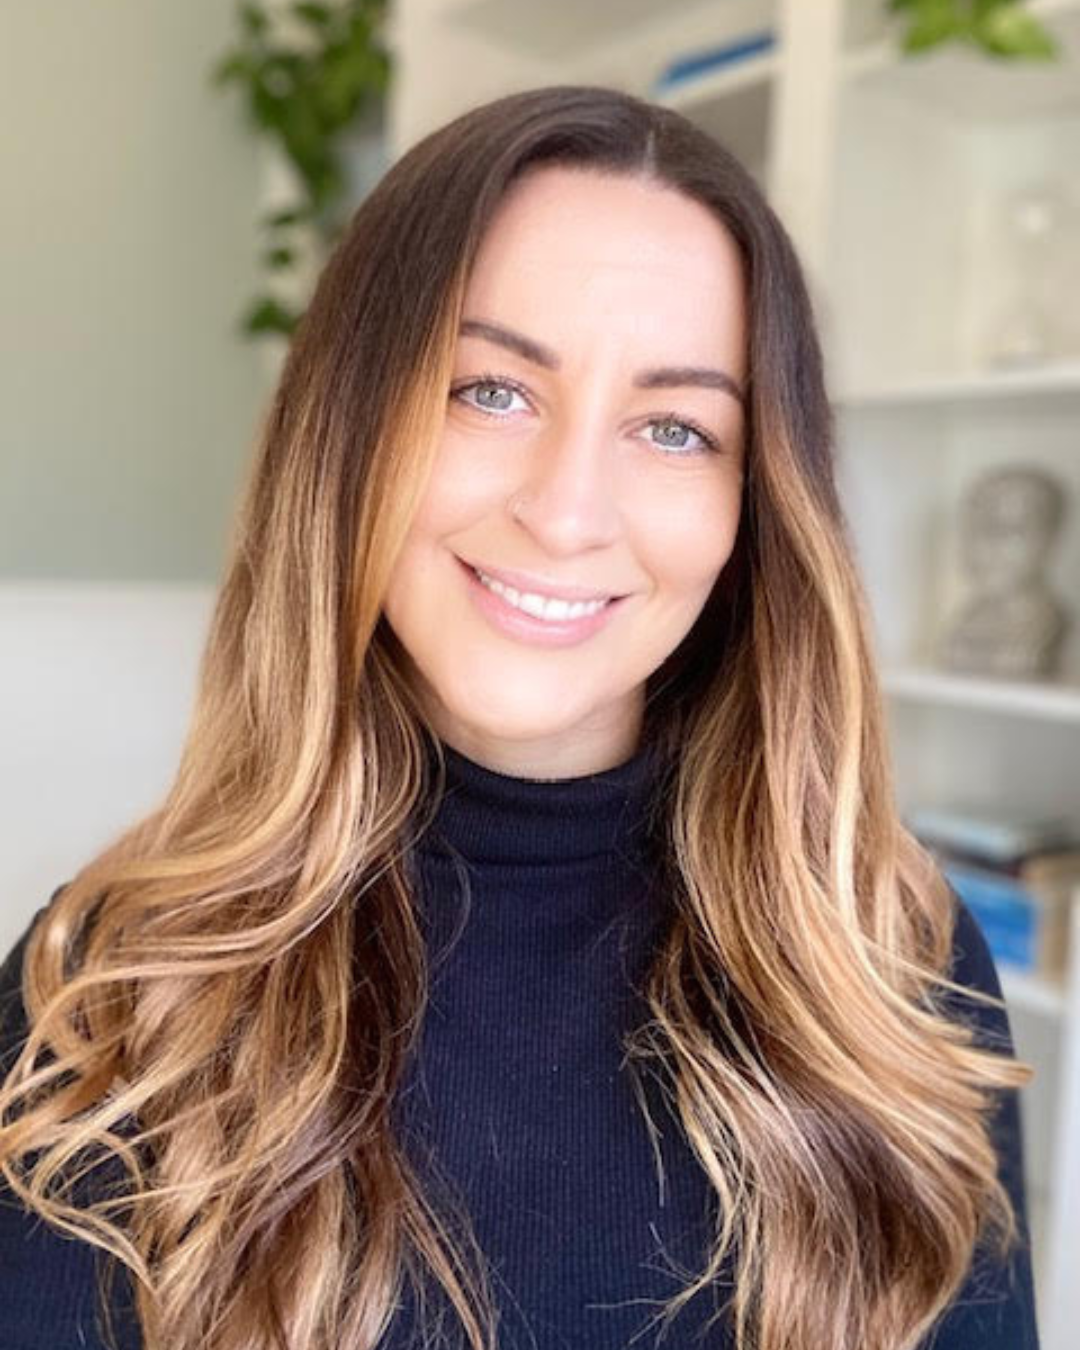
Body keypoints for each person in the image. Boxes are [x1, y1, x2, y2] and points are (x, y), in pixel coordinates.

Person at [0, 84, 1039, 1350]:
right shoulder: (119, 988)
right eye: (490, 390)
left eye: (674, 427)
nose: (567, 511)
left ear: (753, 508)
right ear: (349, 429)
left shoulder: (892, 967)